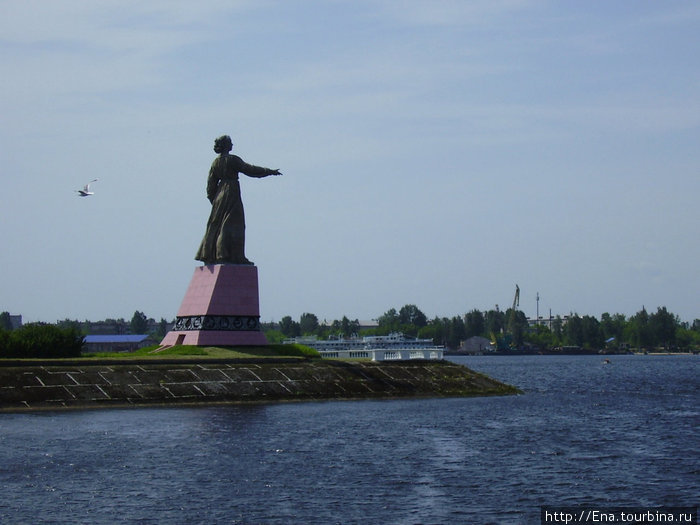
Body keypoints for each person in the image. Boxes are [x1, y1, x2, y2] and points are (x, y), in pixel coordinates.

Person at [195, 135, 281, 265]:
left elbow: (210, 187)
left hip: (219, 195)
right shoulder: (232, 160)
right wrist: (269, 171)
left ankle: (216, 254)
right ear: (226, 145)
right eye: (230, 143)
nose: (232, 145)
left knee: (217, 224)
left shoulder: (215, 163)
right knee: (233, 225)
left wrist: (215, 201)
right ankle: (229, 255)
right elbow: (250, 170)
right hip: (231, 193)